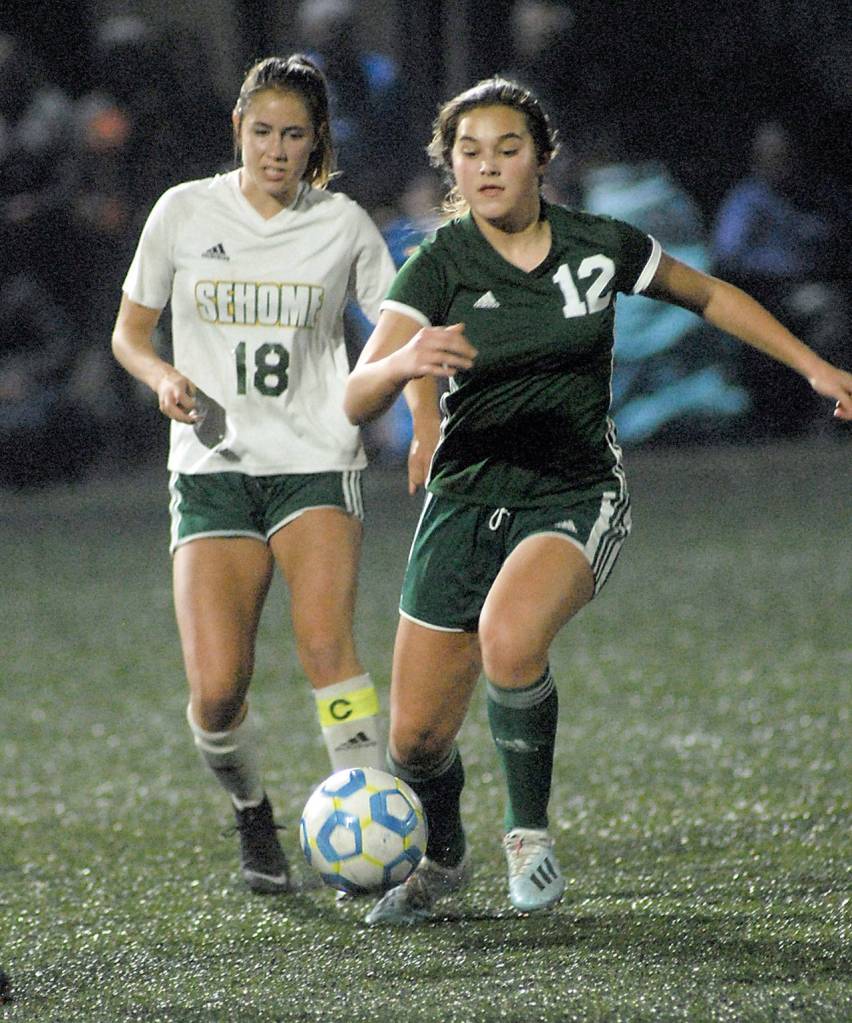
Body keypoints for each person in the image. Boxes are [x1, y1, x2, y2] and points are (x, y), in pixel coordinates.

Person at [342, 77, 852, 925]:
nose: (488, 166)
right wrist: (403, 369)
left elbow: (708, 293)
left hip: (574, 490)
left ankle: (528, 838)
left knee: (511, 639)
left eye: (508, 148)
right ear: (451, 168)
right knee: (415, 742)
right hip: (464, 502)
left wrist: (814, 366)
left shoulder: (598, 244)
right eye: (469, 152)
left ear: (542, 158)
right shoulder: (438, 262)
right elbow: (357, 396)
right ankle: (445, 857)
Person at [111, 55, 397, 895]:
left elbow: (400, 321)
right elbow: (130, 333)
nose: (276, 148)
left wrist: (411, 402)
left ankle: (374, 826)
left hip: (315, 462)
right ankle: (252, 810)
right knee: (216, 691)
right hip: (212, 470)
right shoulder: (183, 211)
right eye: (263, 130)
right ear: (238, 129)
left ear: (318, 141)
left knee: (327, 648)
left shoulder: (342, 223)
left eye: (294, 134)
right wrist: (161, 375)